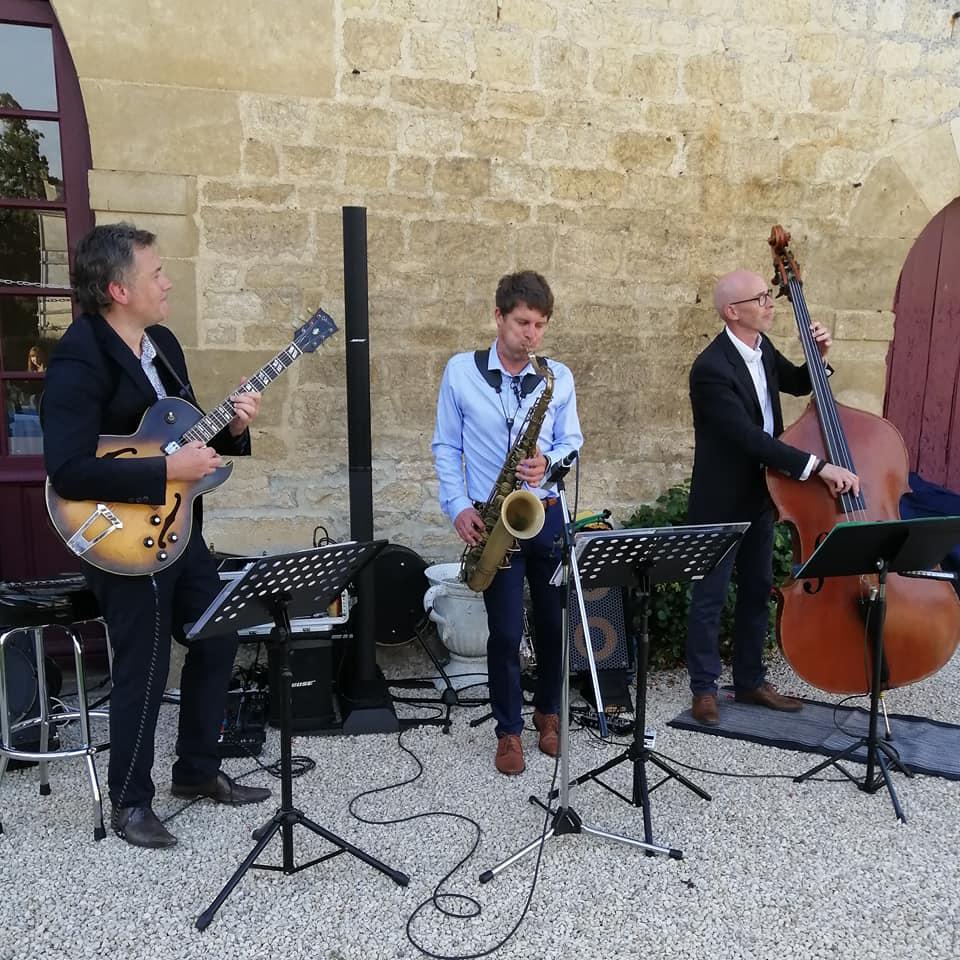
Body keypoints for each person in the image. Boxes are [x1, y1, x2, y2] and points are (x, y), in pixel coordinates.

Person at [41, 223, 271, 848]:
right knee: (144, 665)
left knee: (219, 634)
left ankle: (196, 772)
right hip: (118, 535)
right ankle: (130, 802)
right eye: (156, 274)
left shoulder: (161, 343)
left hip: (178, 530)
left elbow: (182, 435)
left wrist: (232, 432)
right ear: (118, 288)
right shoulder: (79, 357)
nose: (168, 282)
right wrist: (169, 468)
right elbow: (66, 467)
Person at [685, 268, 860, 726]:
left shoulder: (762, 350)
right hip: (721, 501)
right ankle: (703, 689)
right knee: (710, 598)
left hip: (764, 497)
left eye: (769, 294)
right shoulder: (710, 369)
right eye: (761, 297)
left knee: (758, 591)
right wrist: (819, 467)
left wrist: (819, 357)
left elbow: (800, 384)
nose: (770, 303)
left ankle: (749, 680)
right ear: (732, 311)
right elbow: (751, 439)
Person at [432, 270, 583, 775]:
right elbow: (446, 447)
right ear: (498, 317)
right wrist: (458, 506)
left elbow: (572, 442)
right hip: (494, 518)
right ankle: (508, 731)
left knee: (552, 624)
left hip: (546, 513)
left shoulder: (556, 378)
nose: (532, 334)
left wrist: (551, 463)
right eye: (522, 322)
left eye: (540, 325)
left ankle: (549, 715)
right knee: (502, 632)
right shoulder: (460, 372)